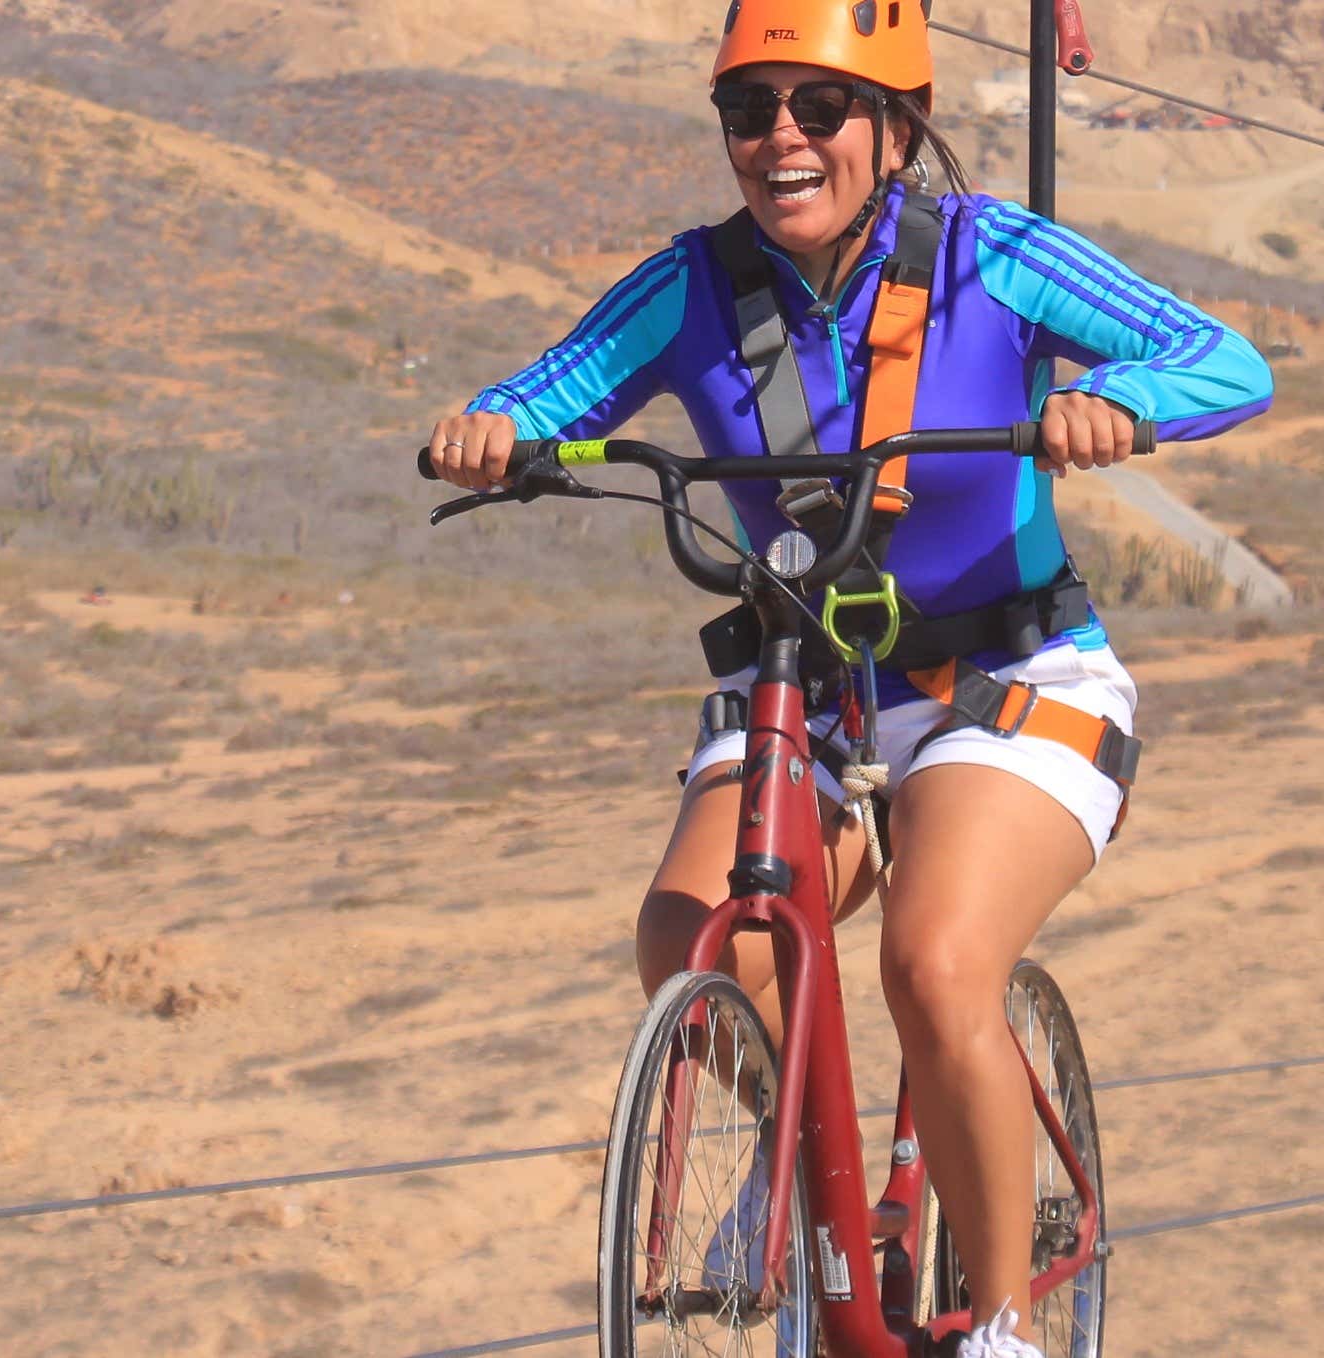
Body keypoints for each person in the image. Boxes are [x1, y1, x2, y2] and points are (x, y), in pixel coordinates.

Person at [423, 2, 1270, 1351]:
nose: (780, 139)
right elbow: (551, 390)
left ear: (892, 125)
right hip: (809, 687)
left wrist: (1128, 404)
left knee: (935, 968)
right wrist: (488, 433)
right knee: (689, 935)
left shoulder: (997, 256)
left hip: (1013, 675)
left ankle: (1000, 1321)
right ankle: (782, 1168)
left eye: (819, 107)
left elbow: (1225, 359)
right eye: (749, 109)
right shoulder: (691, 285)